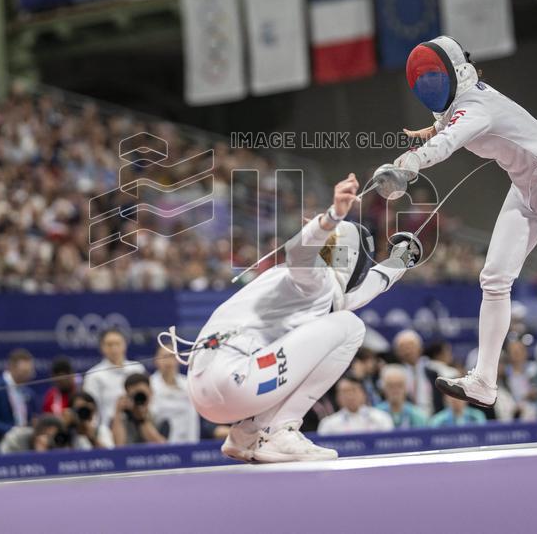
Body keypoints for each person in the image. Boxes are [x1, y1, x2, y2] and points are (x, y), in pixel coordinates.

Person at [388, 36, 537, 435]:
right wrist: (433, 127)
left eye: (433, 77)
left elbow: (453, 137)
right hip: (525, 191)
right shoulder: (469, 101)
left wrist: (411, 161)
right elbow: (454, 123)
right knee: (494, 278)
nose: (429, 86)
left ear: (453, 74)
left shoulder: (474, 106)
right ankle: (484, 380)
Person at [169, 174, 421, 463]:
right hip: (232, 380)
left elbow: (371, 286)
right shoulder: (314, 280)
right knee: (352, 326)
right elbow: (299, 255)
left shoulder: (325, 294)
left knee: (344, 322)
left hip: (208, 389)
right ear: (352, 259)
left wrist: (401, 259)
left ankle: (246, 435)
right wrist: (332, 216)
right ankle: (281, 430)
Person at [83, 329, 146, 426]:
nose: (114, 349)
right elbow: (92, 411)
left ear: (124, 345)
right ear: (102, 347)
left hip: (139, 424)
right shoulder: (94, 375)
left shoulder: (137, 368)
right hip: (108, 429)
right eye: (109, 345)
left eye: (117, 343)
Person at [0, 348, 37, 440]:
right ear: (11, 367)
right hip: (0, 440)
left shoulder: (29, 393)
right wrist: (12, 431)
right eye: (24, 372)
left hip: (25, 441)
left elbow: (32, 419)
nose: (28, 376)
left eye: (30, 372)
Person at [150, 345, 200, 443]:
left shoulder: (188, 384)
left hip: (190, 442)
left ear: (177, 359)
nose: (168, 361)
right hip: (163, 444)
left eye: (171, 356)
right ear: (156, 361)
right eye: (164, 357)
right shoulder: (151, 386)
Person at [317, 376, 394, 435]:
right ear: (337, 397)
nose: (350, 395)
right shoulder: (328, 424)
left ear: (363, 394)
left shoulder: (381, 418)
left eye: (354, 390)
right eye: (345, 392)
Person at [111, 373, 169, 446]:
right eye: (134, 395)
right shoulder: (120, 420)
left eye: (141, 393)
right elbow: (118, 446)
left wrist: (141, 418)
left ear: (151, 392)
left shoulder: (161, 418)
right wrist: (118, 412)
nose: (139, 398)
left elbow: (161, 445)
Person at [391, 330, 436, 416]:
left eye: (411, 346)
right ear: (397, 352)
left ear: (420, 348)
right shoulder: (393, 374)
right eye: (403, 347)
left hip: (431, 417)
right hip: (407, 418)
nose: (408, 350)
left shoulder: (432, 371)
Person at [376, 364, 431, 429]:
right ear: (383, 388)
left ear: (406, 387)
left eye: (399, 385)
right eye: (390, 386)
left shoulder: (418, 416)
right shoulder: (375, 415)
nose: (395, 390)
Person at [0, 415, 73, 454]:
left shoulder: (61, 442)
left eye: (52, 436)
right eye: (46, 434)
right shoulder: (16, 438)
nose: (48, 439)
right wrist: (37, 455)